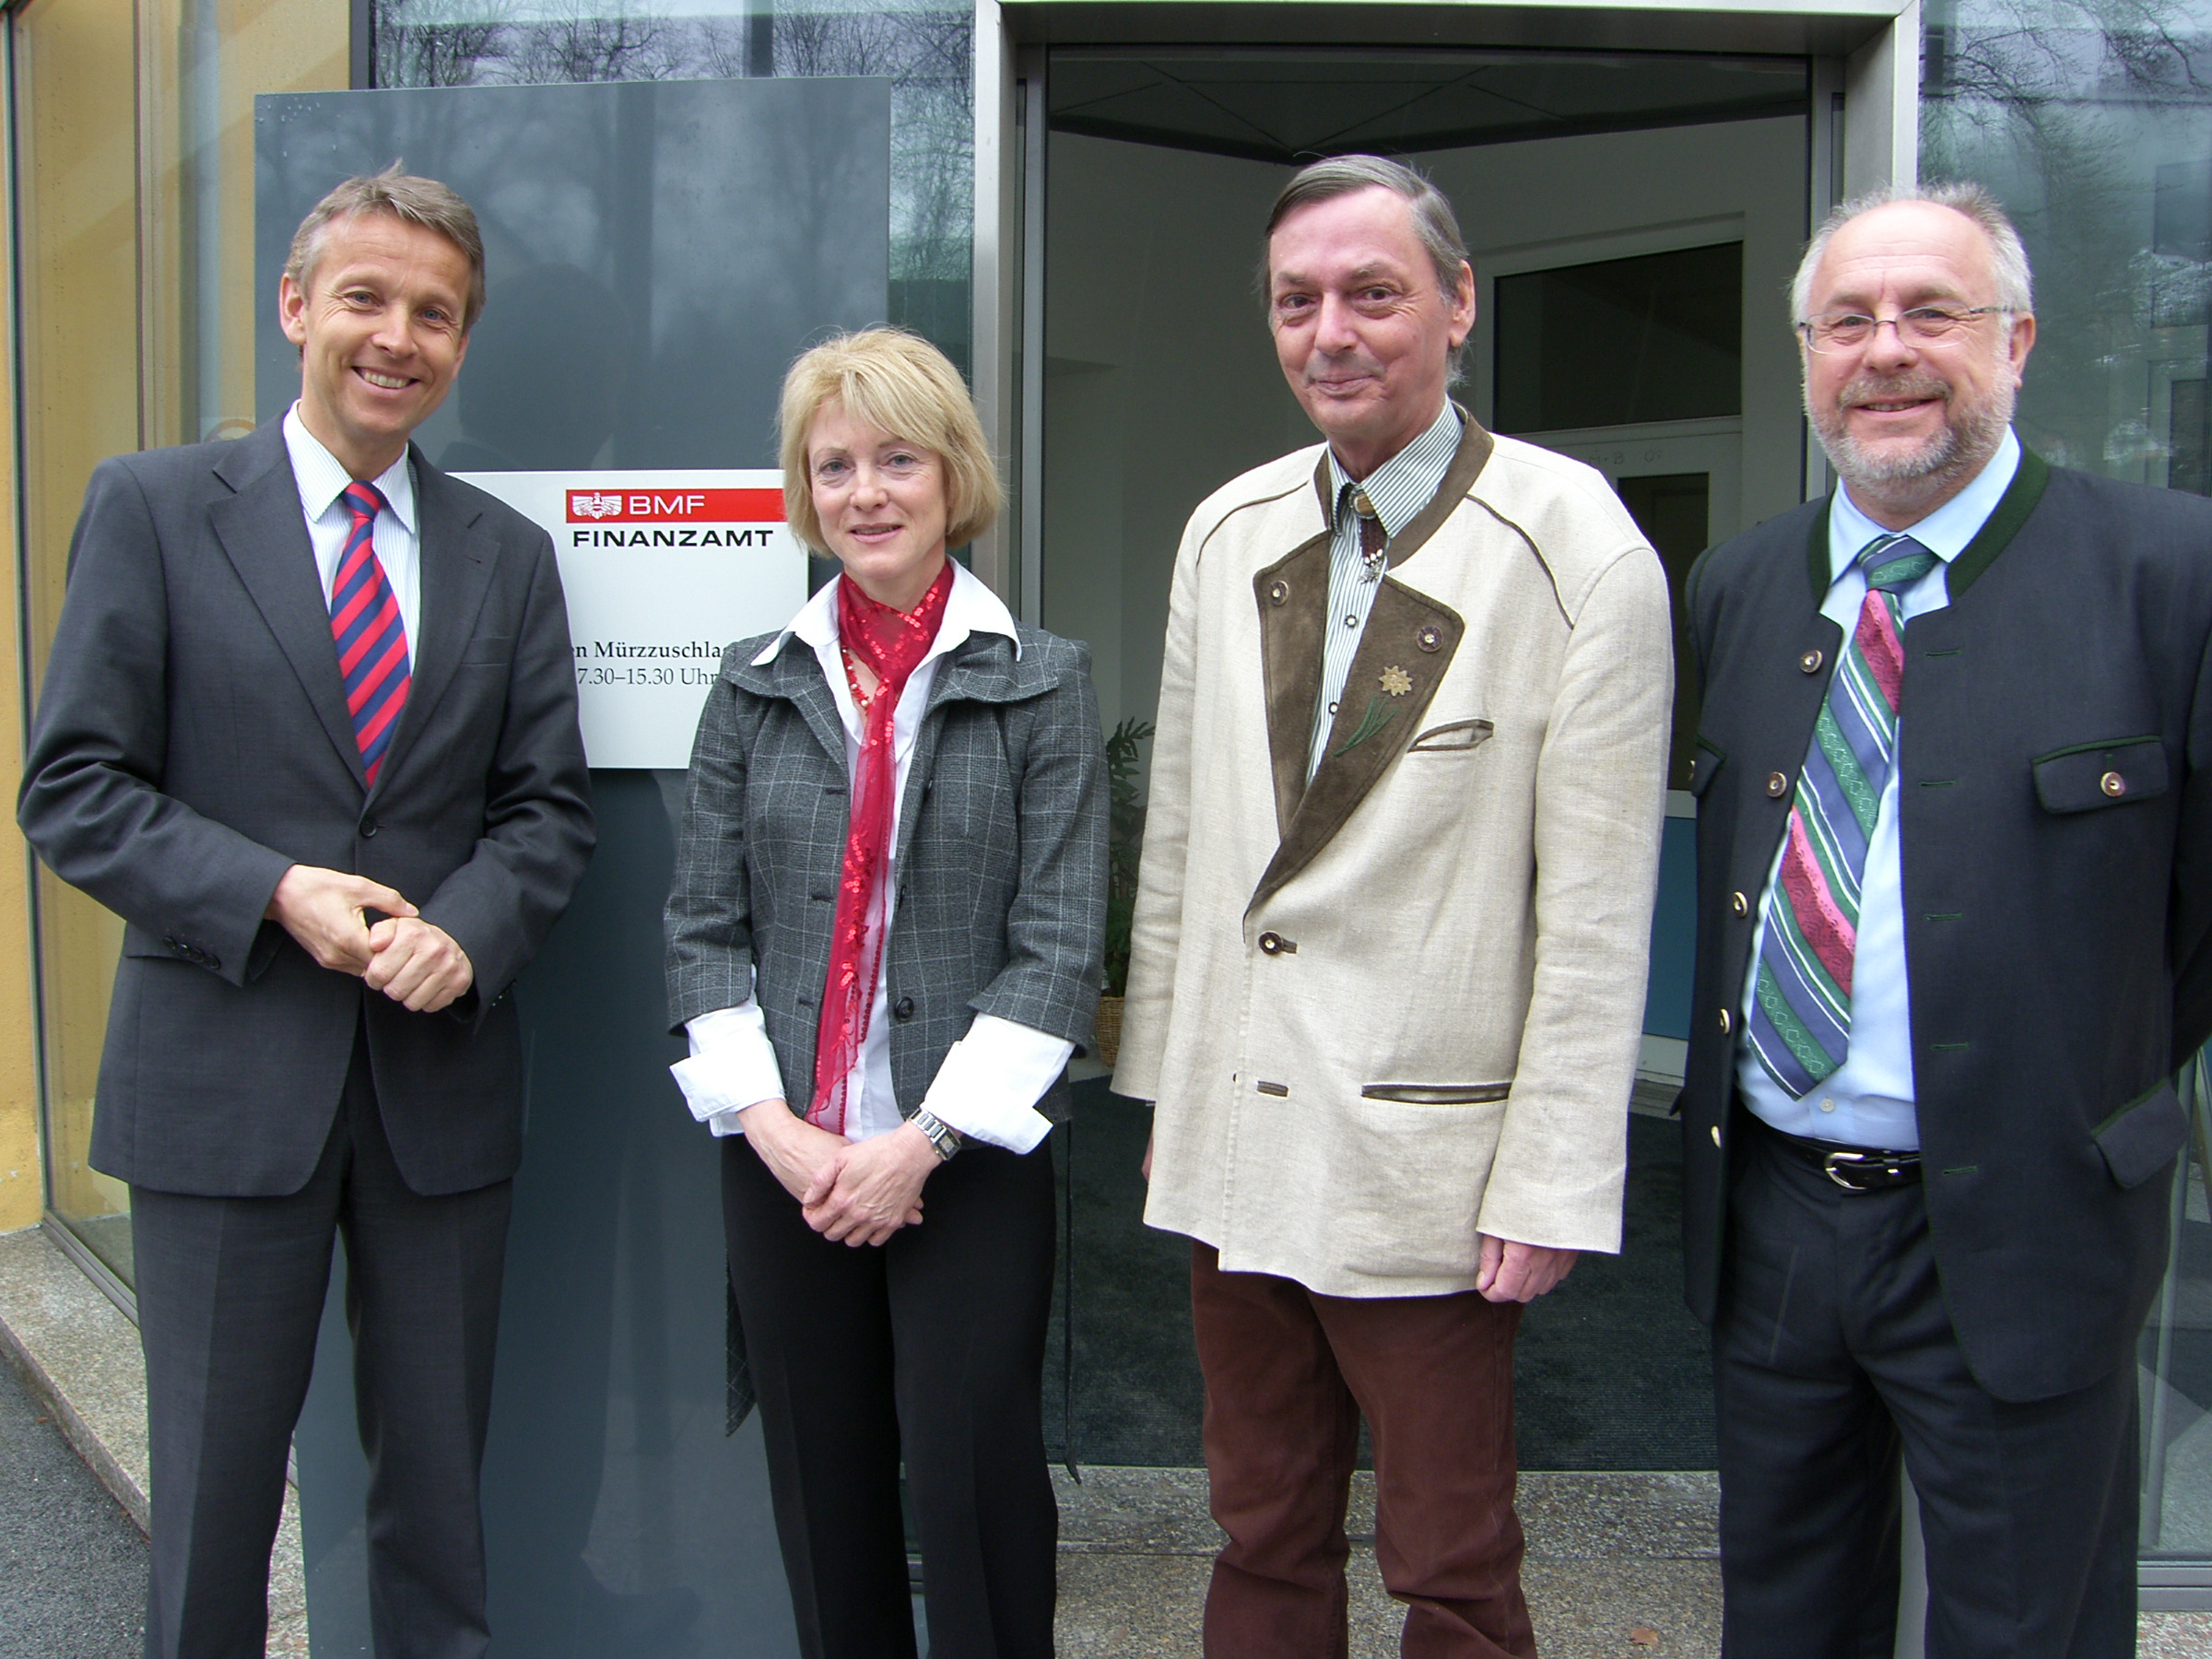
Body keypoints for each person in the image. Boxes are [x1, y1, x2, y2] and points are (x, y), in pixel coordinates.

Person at [16, 167, 594, 1658]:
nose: (397, 337)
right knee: (212, 1505)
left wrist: (467, 929)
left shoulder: (507, 559)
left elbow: (545, 812)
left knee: (438, 1506)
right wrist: (273, 889)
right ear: (295, 307)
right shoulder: (151, 508)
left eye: (436, 313)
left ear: (463, 342)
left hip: (437, 1092)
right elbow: (73, 787)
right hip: (221, 1087)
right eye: (366, 298)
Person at [1113, 154, 1673, 1656]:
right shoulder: (1228, 530)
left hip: (1426, 1154)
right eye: (1299, 301)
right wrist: (1170, 1081)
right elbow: (1184, 842)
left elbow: (1600, 907)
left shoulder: (1577, 543)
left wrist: (1555, 1176)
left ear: (1459, 305)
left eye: (1375, 292)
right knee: (1259, 1523)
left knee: (1452, 1561)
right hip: (1236, 1138)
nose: (1332, 331)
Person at [1678, 182, 2212, 1658]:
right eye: (1848, 321)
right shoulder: (1741, 582)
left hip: (2030, 1219)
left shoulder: (2170, 572)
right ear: (1806, 358)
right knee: (1783, 1615)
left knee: (2026, 1625)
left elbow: (2189, 932)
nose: (1888, 350)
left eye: (1933, 313)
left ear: (2018, 339)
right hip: (1777, 1217)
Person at [663, 326, 1106, 1659]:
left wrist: (921, 1144)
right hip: (784, 1155)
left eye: (897, 459)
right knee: (822, 1482)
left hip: (962, 1155)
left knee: (974, 1481)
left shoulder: (1041, 680)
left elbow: (1059, 944)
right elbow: (700, 925)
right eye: (836, 463)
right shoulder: (753, 683)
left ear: (951, 473)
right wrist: (770, 1125)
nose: (867, 492)